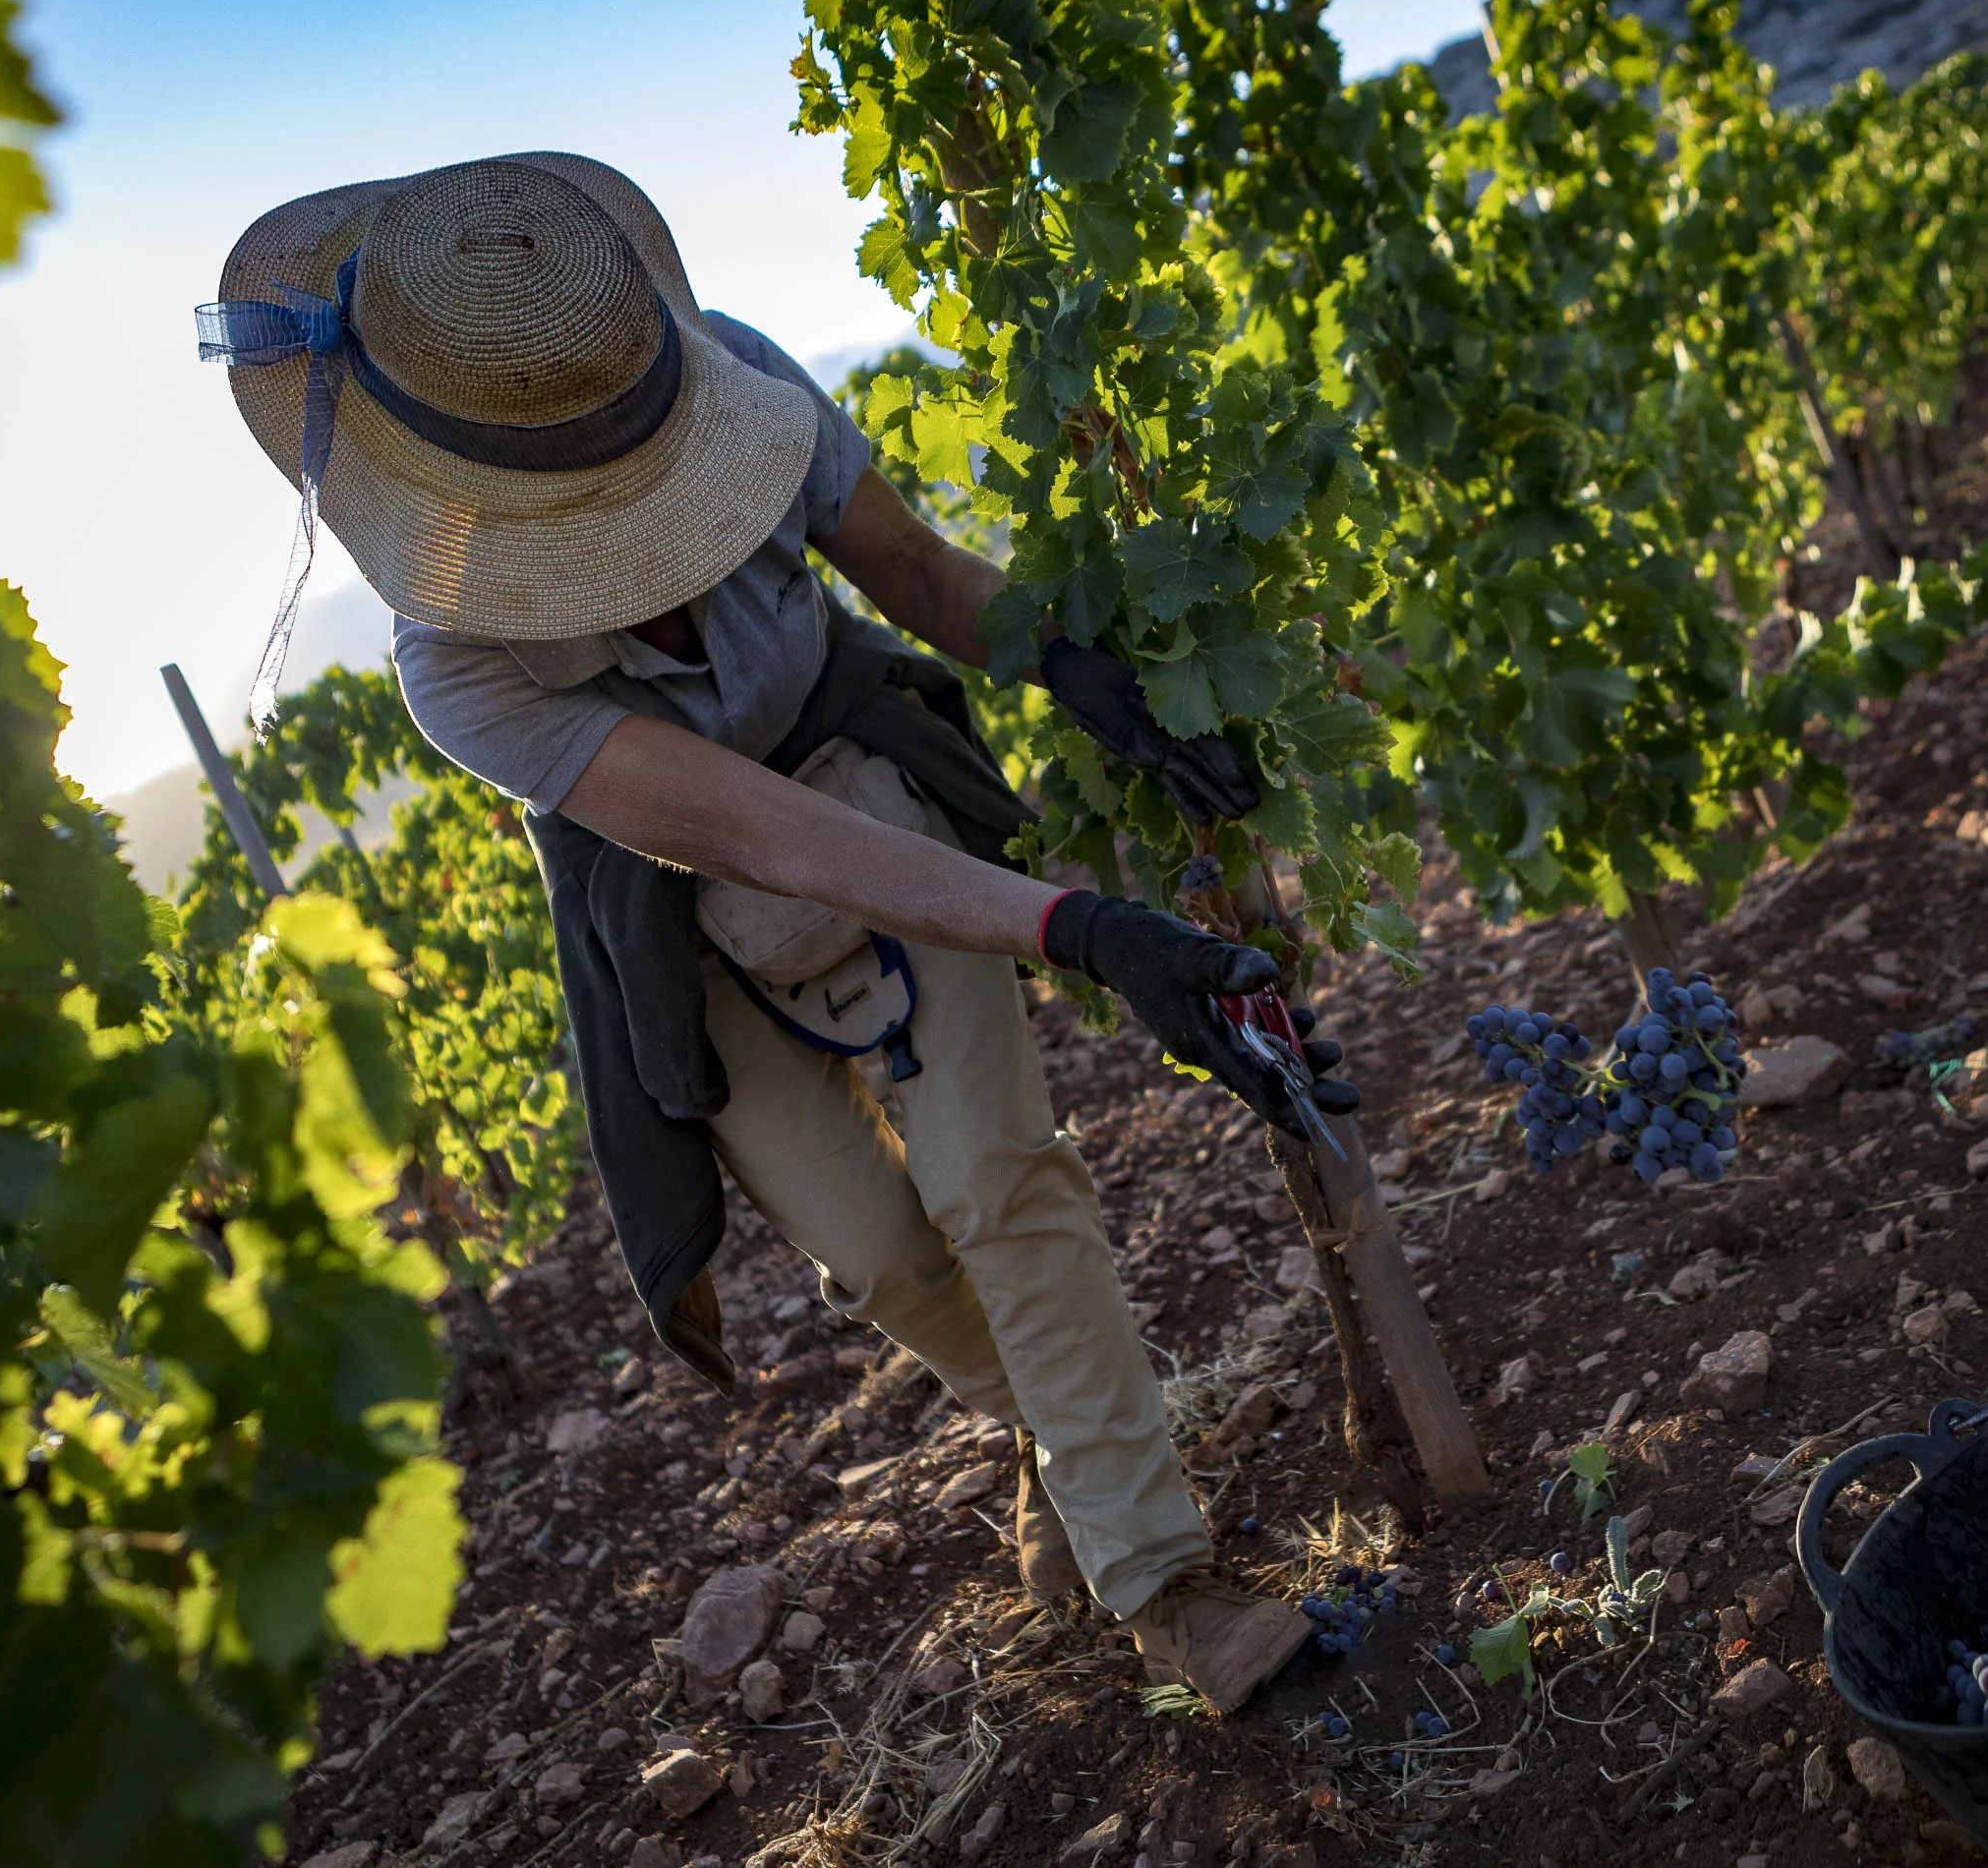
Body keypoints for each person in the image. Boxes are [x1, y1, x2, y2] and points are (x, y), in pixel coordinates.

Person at [197, 152, 1359, 1712]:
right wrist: (1083, 932)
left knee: (997, 1182)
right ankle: (1059, 1440)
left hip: (865, 766)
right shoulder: (456, 668)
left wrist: (1080, 666)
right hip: (678, 908)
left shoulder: (732, 380)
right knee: (883, 1258)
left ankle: (1161, 1578)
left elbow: (918, 573)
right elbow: (765, 838)